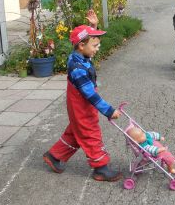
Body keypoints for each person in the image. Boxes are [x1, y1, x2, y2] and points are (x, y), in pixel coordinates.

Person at [43, 21, 123, 182]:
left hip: (79, 106)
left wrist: (92, 26)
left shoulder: (79, 56)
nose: (97, 48)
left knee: (76, 131)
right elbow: (90, 95)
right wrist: (108, 110)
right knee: (90, 133)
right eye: (95, 45)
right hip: (81, 106)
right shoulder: (78, 69)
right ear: (81, 45)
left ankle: (54, 156)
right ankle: (101, 168)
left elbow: (86, 38)